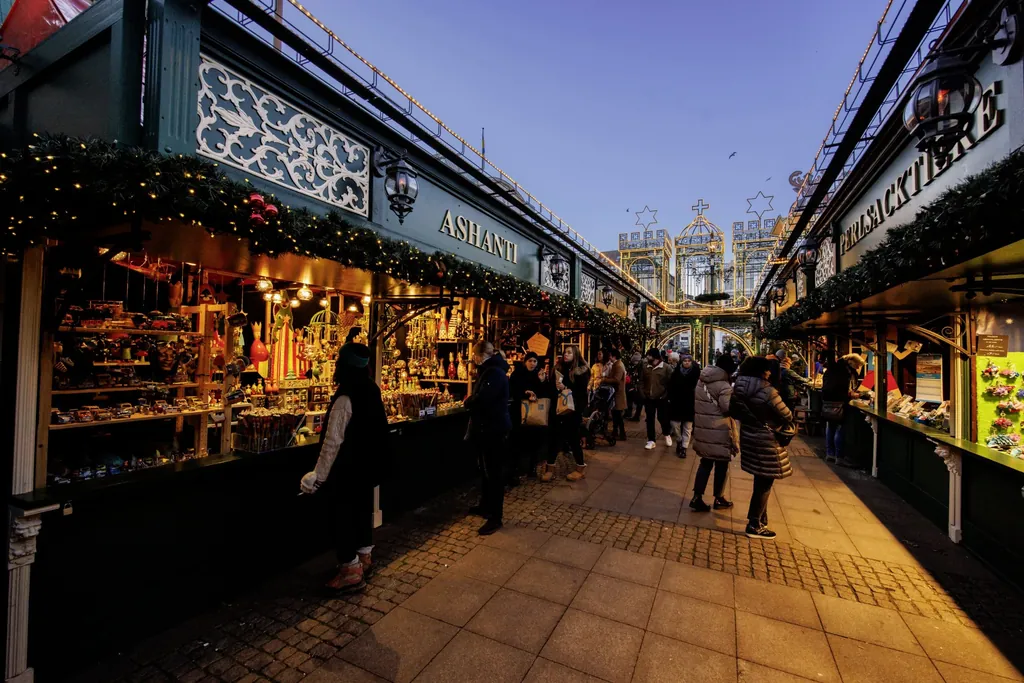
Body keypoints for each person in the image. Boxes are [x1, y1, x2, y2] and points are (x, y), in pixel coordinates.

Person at [300, 342, 389, 593]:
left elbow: (332, 442)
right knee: (361, 513)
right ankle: (363, 557)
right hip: (366, 469)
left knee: (342, 519)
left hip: (347, 472)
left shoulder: (346, 396)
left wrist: (317, 476)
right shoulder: (371, 389)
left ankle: (350, 570)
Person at [729, 356, 796, 540]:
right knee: (765, 482)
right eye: (766, 369)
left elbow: (734, 410)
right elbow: (787, 414)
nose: (769, 372)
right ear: (761, 370)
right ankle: (754, 524)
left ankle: (761, 518)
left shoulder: (739, 385)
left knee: (760, 479)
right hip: (767, 439)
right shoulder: (767, 390)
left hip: (749, 435)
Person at [463, 341, 512, 535]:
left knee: (494, 472)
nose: (474, 359)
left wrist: (469, 402)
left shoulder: (494, 373)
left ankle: (495, 516)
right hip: (487, 428)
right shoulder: (491, 371)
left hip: (493, 429)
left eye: (475, 355)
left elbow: (484, 398)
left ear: (481, 354)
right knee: (486, 470)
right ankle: (485, 505)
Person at [690, 354, 738, 511]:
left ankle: (697, 496)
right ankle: (719, 497)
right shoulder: (724, 386)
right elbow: (727, 408)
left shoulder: (701, 380)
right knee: (722, 465)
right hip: (719, 430)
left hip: (704, 428)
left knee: (705, 462)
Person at [543, 344, 590, 482]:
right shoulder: (558, 368)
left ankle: (580, 467)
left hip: (572, 410)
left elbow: (581, 393)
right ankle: (550, 468)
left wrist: (566, 388)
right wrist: (543, 381)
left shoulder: (581, 372)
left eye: (569, 352)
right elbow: (551, 389)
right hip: (557, 410)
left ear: (575, 354)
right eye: (565, 352)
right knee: (554, 439)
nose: (566, 354)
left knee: (573, 439)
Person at [820, 353, 866, 466]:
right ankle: (839, 456)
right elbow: (844, 390)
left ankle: (830, 453)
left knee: (830, 426)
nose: (858, 368)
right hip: (840, 403)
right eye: (858, 365)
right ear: (851, 362)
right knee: (840, 428)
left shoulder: (832, 368)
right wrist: (854, 395)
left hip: (827, 402)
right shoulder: (846, 372)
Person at [509, 351, 547, 482]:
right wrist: (525, 393)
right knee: (518, 442)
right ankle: (515, 471)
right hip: (519, 413)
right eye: (530, 361)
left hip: (534, 414)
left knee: (534, 442)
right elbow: (512, 390)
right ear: (525, 362)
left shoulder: (539, 375)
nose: (532, 363)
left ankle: (532, 468)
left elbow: (544, 393)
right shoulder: (517, 374)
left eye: (535, 361)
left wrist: (542, 382)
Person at [640, 347, 672, 450]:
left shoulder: (666, 368)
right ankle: (651, 440)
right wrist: (643, 393)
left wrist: (666, 395)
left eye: (649, 355)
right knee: (649, 419)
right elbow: (641, 381)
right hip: (648, 397)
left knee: (662, 418)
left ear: (654, 357)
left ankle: (666, 433)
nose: (647, 357)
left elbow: (670, 383)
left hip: (661, 398)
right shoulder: (645, 367)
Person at [667, 353, 699, 457]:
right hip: (677, 402)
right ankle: (679, 441)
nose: (687, 362)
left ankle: (684, 448)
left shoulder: (695, 373)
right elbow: (671, 385)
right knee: (675, 424)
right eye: (685, 361)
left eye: (689, 361)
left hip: (689, 403)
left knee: (687, 427)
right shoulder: (676, 372)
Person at [602, 347, 628, 440]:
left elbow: (616, 379)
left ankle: (621, 433)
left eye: (610, 356)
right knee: (616, 415)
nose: (609, 357)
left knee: (617, 415)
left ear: (614, 356)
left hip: (618, 394)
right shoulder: (616, 364)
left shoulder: (618, 365)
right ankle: (616, 432)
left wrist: (605, 379)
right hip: (616, 394)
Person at [627, 351, 644, 420]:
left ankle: (635, 415)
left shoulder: (639, 368)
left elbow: (638, 378)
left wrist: (634, 386)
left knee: (636, 401)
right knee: (638, 402)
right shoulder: (639, 366)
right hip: (637, 387)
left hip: (637, 388)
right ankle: (635, 415)